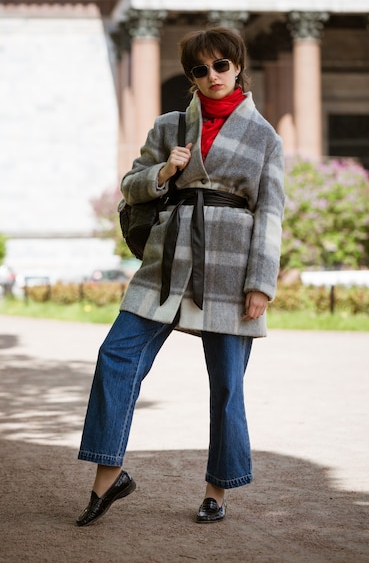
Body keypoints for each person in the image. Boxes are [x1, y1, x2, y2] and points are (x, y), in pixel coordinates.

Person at [76, 26, 285, 526]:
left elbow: (271, 211)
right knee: (116, 356)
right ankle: (109, 478)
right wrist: (164, 173)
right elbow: (130, 186)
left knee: (227, 384)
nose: (211, 76)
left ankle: (217, 489)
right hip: (167, 261)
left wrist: (262, 282)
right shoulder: (170, 125)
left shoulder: (264, 136)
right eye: (199, 69)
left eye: (220, 65)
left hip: (232, 268)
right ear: (191, 76)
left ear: (237, 66)